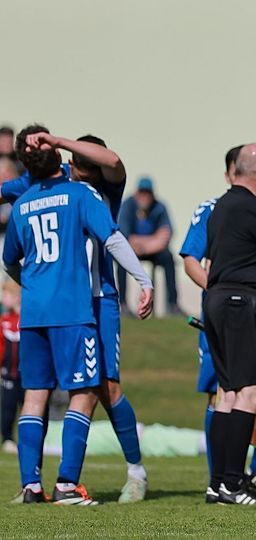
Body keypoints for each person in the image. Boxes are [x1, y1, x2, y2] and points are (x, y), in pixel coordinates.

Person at [1, 130, 154, 503]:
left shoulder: (105, 186)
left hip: (97, 301)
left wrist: (56, 142)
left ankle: (136, 471)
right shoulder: (65, 185)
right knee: (81, 391)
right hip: (70, 304)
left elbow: (114, 162)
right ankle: (61, 484)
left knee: (105, 387)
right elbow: (13, 185)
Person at [180, 145, 256, 503]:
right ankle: (233, 482)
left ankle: (217, 483)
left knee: (226, 393)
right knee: (251, 391)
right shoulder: (255, 207)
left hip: (216, 299)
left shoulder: (219, 207)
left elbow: (199, 258)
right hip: (244, 303)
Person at [117, 177, 181, 316]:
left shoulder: (159, 207)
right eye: (142, 192)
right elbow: (124, 237)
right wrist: (152, 240)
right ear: (136, 193)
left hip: (152, 251)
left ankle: (173, 305)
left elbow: (166, 235)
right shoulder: (128, 205)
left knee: (168, 257)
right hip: (132, 250)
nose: (144, 196)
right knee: (121, 259)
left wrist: (143, 245)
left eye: (148, 193)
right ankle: (123, 304)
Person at [0, 279, 22, 454]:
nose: (3, 298)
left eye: (6, 294)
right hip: (8, 375)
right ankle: (7, 438)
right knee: (7, 407)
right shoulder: (4, 321)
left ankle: (28, 439)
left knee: (29, 407)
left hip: (26, 375)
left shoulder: (26, 320)